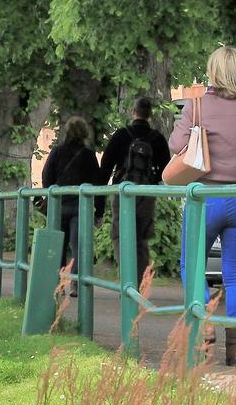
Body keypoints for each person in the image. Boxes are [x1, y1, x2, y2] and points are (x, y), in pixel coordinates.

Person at [170, 46, 236, 366]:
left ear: (214, 73)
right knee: (235, 273)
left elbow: (176, 145)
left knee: (190, 266)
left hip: (205, 199)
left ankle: (204, 329)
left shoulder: (197, 107)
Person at [100, 97, 172, 278]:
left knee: (119, 235)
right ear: (150, 114)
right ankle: (140, 282)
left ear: (134, 112)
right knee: (141, 239)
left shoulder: (121, 135)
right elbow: (166, 169)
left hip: (122, 192)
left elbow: (106, 164)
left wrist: (99, 196)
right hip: (146, 193)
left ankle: (126, 278)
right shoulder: (157, 139)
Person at [42, 116, 106, 296]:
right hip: (80, 206)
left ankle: (60, 284)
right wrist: (99, 212)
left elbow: (46, 176)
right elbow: (98, 183)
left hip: (59, 204)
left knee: (58, 246)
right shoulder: (88, 155)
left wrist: (51, 195)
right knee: (79, 247)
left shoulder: (57, 152)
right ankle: (76, 284)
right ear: (84, 133)